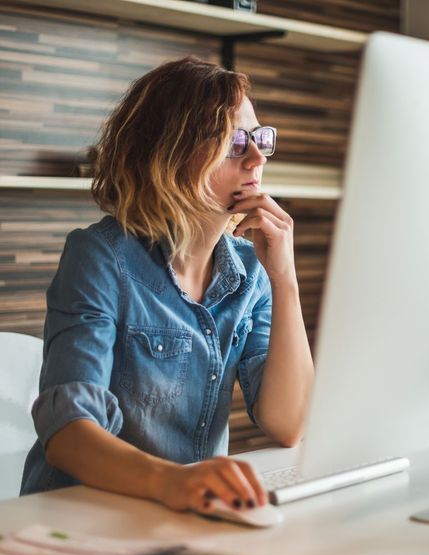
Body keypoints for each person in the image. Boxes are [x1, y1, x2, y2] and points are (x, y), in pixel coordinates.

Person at [20, 56, 314, 514]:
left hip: (184, 514)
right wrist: (173, 482)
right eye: (236, 142)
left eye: (260, 139)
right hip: (82, 519)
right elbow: (67, 433)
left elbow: (289, 424)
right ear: (171, 153)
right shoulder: (99, 257)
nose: (257, 157)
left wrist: (285, 278)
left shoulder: (251, 271)